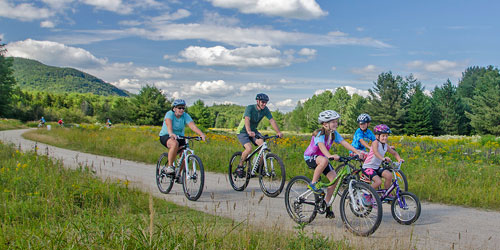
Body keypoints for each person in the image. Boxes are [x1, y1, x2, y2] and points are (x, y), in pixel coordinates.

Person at [304, 110, 364, 218]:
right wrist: (329, 155)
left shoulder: (333, 134)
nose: (336, 124)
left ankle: (326, 204)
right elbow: (321, 146)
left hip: (323, 158)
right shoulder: (319, 133)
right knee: (324, 160)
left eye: (336, 121)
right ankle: (313, 183)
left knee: (334, 180)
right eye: (333, 122)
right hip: (311, 157)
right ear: (325, 124)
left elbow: (344, 143)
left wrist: (357, 152)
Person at [235, 93, 283, 177]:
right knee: (249, 148)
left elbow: (271, 120)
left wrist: (278, 132)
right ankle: (240, 166)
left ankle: (258, 167)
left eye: (266, 102)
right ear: (257, 101)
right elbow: (247, 119)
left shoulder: (265, 110)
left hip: (253, 131)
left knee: (263, 146)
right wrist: (249, 131)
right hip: (243, 131)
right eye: (262, 102)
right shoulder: (250, 108)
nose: (264, 104)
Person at [159, 99, 206, 176]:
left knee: (185, 154)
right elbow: (168, 124)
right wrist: (171, 133)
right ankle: (170, 166)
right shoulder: (170, 114)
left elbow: (192, 126)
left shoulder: (185, 116)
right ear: (174, 108)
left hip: (180, 137)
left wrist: (201, 134)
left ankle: (178, 174)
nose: (181, 110)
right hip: (166, 135)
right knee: (174, 144)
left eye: (183, 108)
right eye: (179, 108)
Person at [361, 124, 403, 193]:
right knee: (378, 182)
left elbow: (394, 153)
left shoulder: (385, 145)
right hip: (367, 167)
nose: (385, 138)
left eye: (386, 136)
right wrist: (383, 158)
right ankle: (366, 194)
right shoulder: (375, 143)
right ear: (377, 136)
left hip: (376, 167)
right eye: (383, 136)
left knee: (389, 175)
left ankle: (387, 193)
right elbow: (376, 152)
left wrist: (399, 159)